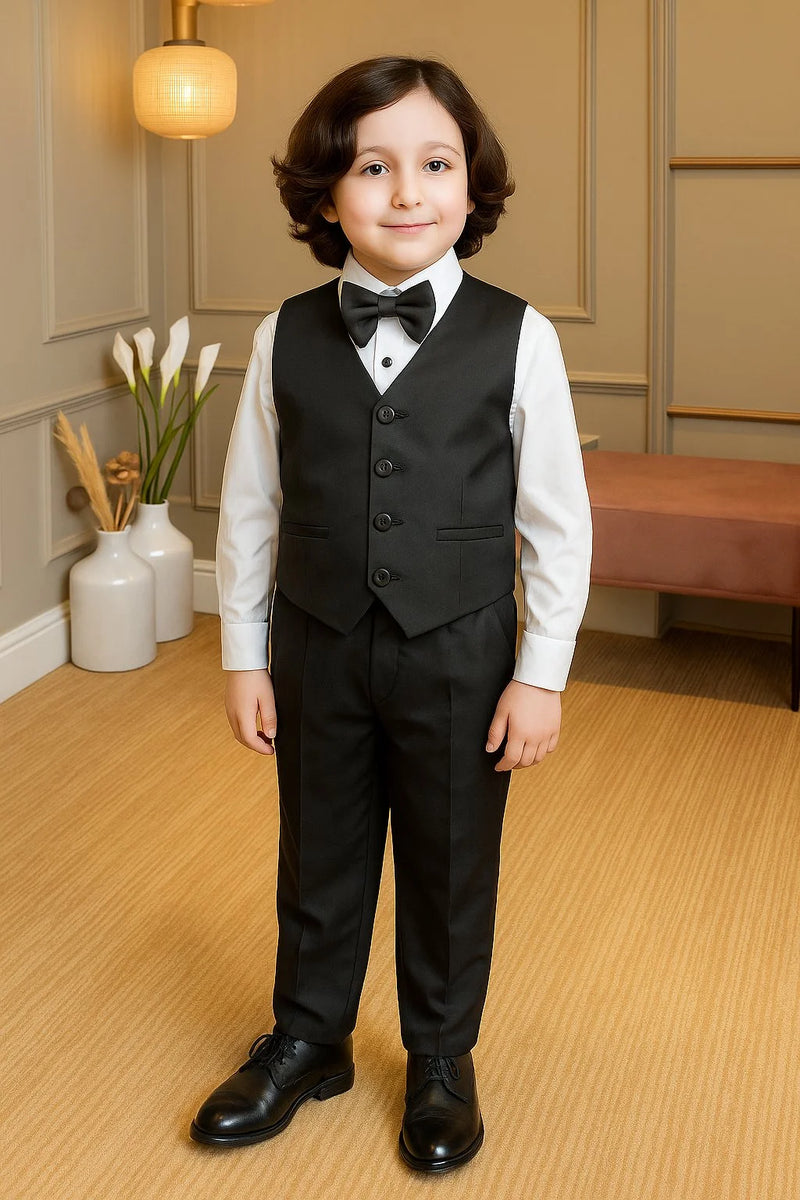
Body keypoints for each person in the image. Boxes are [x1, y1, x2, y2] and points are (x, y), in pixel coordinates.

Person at [190, 55, 592, 1173]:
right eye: (373, 166)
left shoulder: (521, 337)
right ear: (327, 196)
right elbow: (251, 510)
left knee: (451, 854)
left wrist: (542, 671)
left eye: (433, 163)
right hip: (313, 639)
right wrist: (240, 654)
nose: (406, 191)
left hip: (462, 644)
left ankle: (439, 1057)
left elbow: (556, 523)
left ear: (471, 190)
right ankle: (308, 1036)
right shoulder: (282, 335)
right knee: (317, 848)